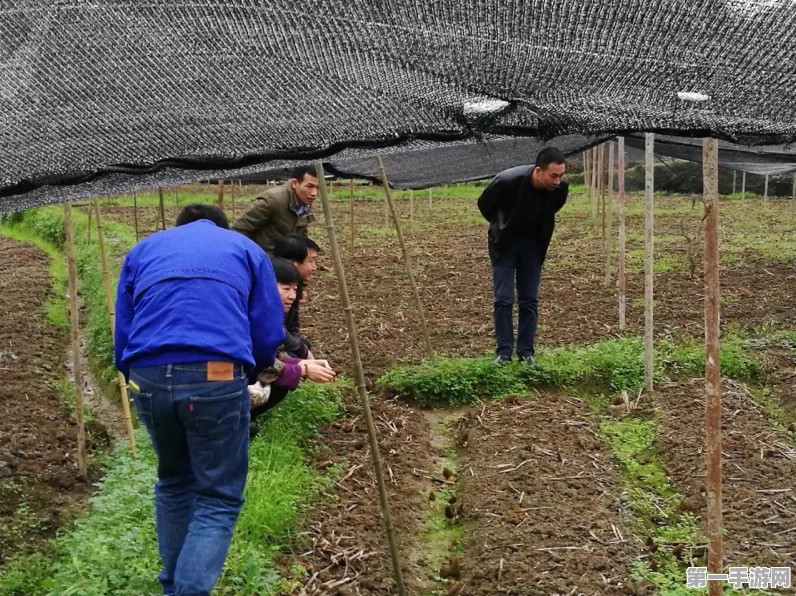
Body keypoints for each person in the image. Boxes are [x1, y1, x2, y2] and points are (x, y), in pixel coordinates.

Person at [114, 204, 285, 596]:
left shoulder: (144, 250)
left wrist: (135, 377)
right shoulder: (243, 249)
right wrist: (253, 371)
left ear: (178, 228)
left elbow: (123, 327)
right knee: (218, 497)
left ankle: (173, 586)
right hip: (216, 374)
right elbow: (266, 327)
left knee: (174, 482)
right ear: (221, 227)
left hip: (149, 375)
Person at [477, 147, 569, 366]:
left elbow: (554, 208)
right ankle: (504, 353)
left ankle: (526, 353)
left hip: (534, 246)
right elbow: (485, 205)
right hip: (505, 245)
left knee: (529, 300)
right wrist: (502, 224)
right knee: (504, 299)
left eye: (561, 175)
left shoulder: (560, 189)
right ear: (538, 171)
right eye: (553, 175)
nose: (558, 181)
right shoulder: (507, 181)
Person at [248, 258, 335, 428]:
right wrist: (304, 369)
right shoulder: (256, 316)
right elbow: (262, 361)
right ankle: (237, 421)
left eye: (295, 289)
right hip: (231, 378)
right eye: (286, 289)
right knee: (276, 383)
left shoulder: (270, 313)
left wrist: (303, 362)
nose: (292, 296)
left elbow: (277, 352)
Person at [231, 165, 318, 255]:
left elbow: (301, 235)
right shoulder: (273, 200)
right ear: (294, 183)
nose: (314, 193)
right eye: (309, 186)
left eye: (318, 187)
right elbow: (239, 230)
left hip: (284, 259)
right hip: (262, 258)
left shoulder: (304, 203)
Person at [273, 234, 320, 359]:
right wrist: (303, 352)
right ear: (294, 263)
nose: (314, 267)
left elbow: (292, 324)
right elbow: (277, 329)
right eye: (310, 261)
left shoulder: (295, 288)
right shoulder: (272, 288)